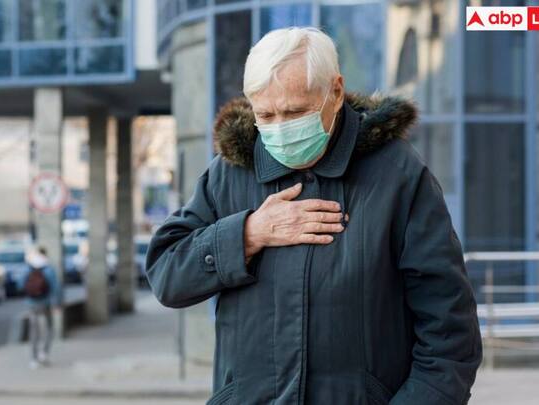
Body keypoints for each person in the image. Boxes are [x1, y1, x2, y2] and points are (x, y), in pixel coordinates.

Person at [146, 27, 482, 404]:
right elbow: (167, 274)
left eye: (295, 112)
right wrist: (247, 234)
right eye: (265, 115)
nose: (280, 129)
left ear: (335, 92)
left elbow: (450, 334)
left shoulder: (397, 175)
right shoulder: (230, 172)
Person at [23, 246, 61, 369]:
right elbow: (56, 287)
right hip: (46, 303)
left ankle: (33, 359)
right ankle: (44, 353)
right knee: (50, 327)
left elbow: (21, 283)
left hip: (32, 303)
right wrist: (57, 303)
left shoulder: (29, 267)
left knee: (34, 331)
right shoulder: (49, 268)